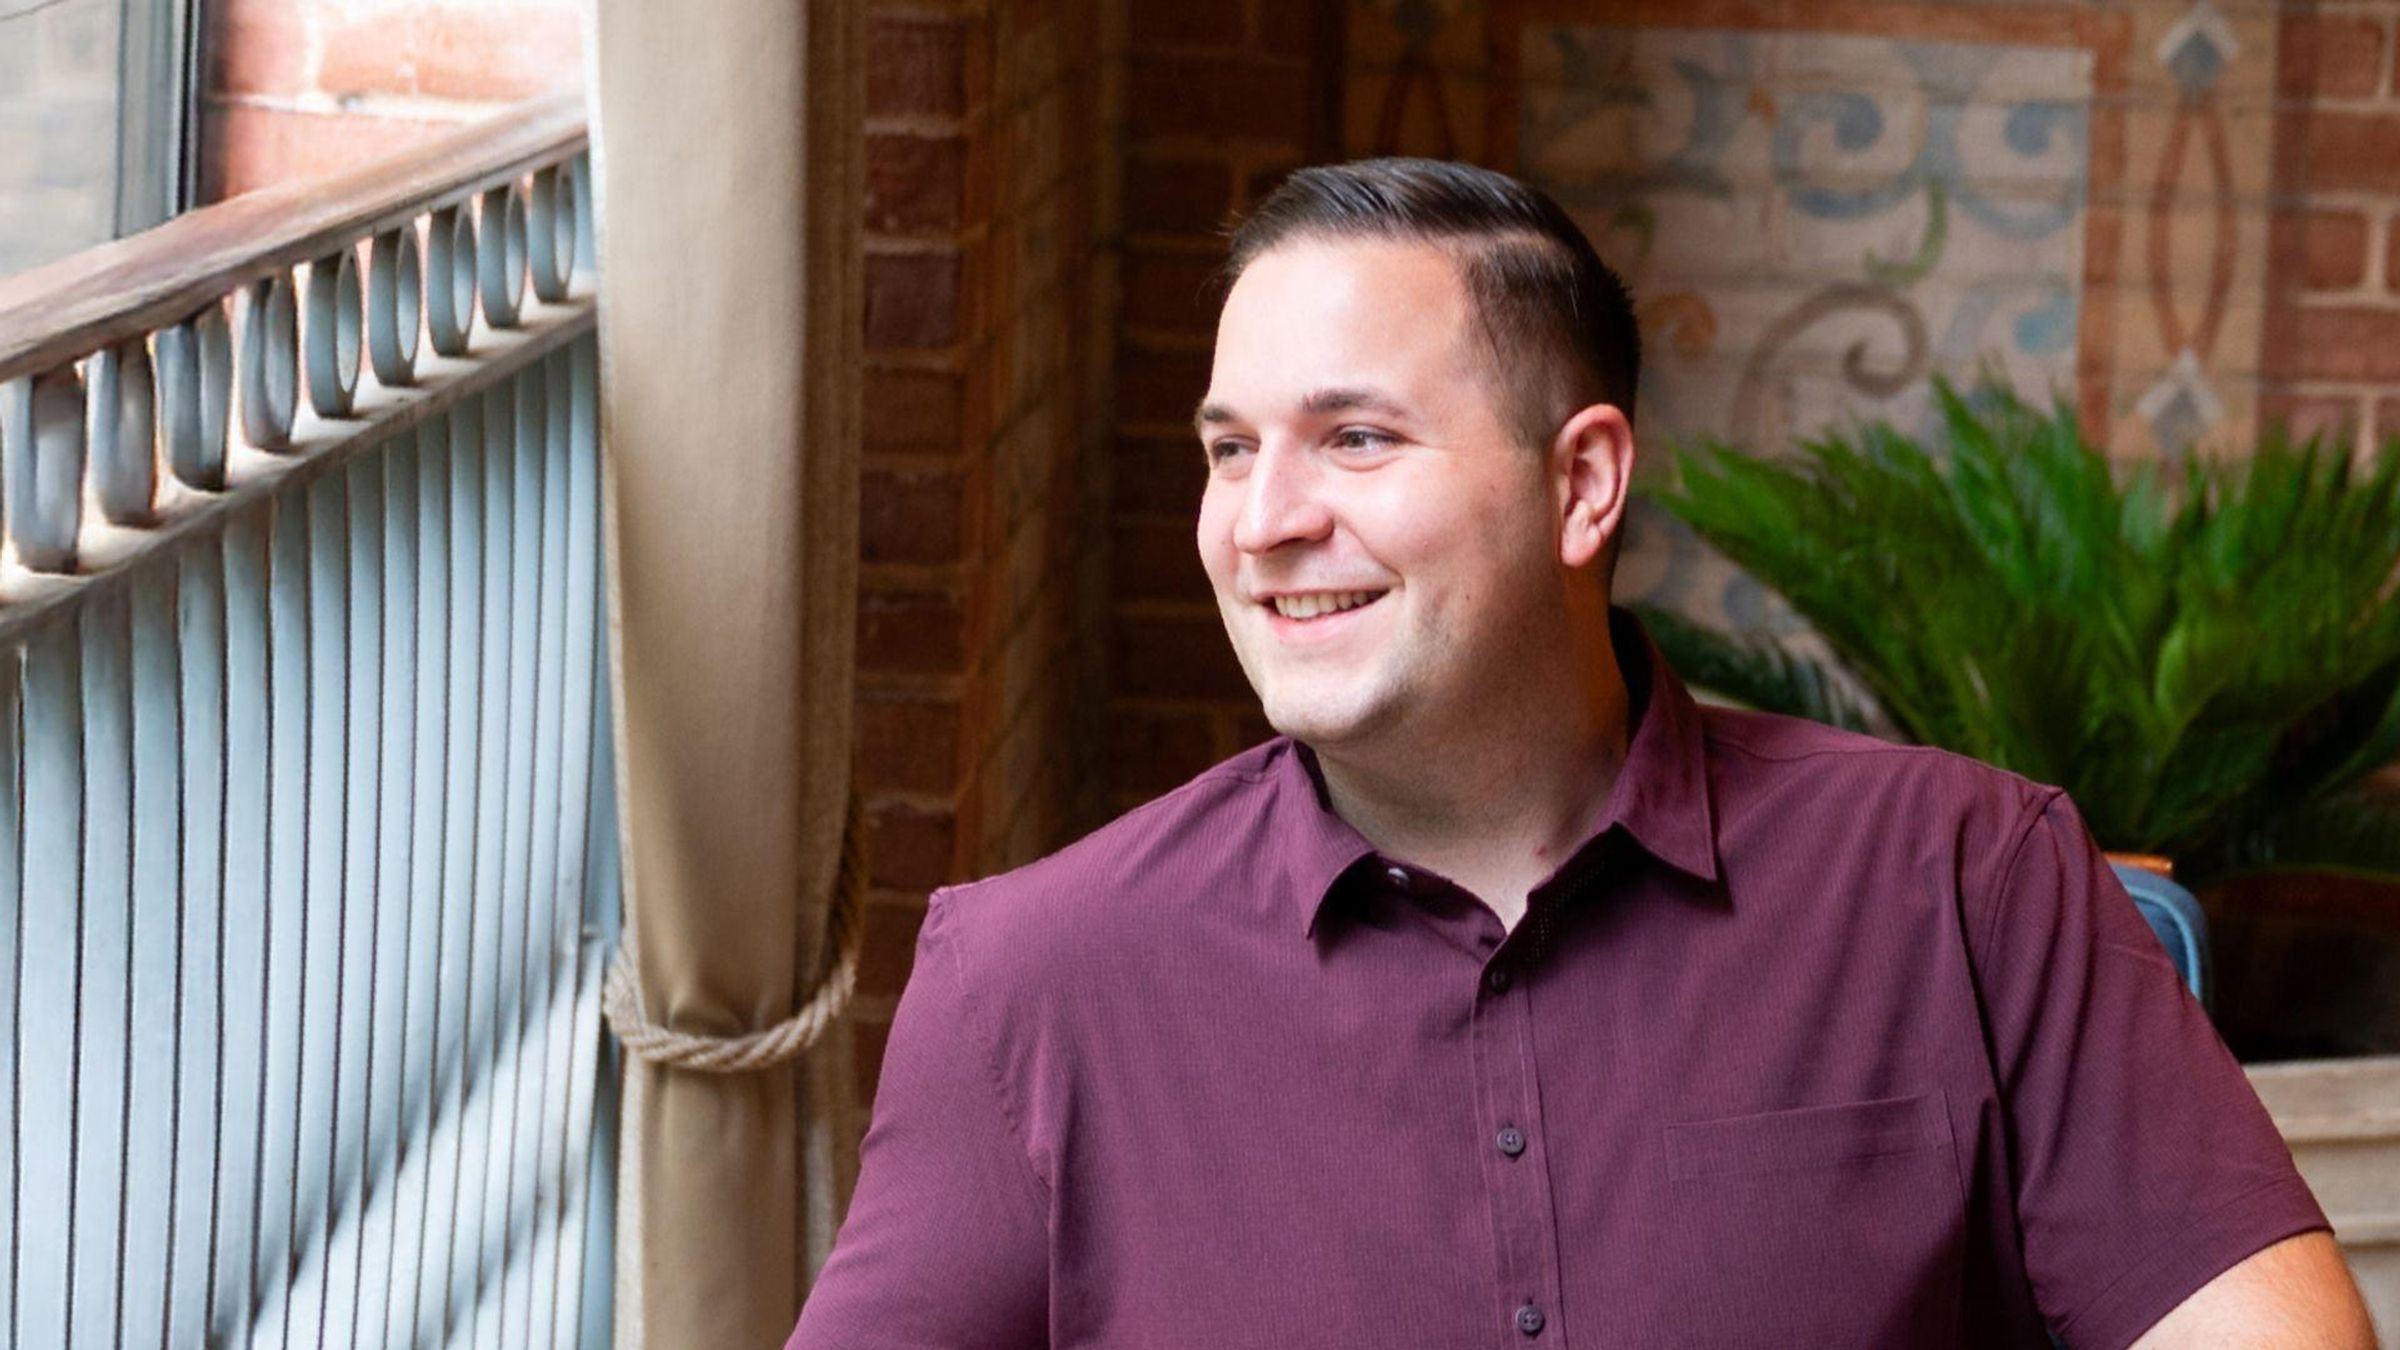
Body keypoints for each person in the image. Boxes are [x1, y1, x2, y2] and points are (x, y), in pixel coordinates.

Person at [787, 158, 2377, 1348]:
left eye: (1355, 437)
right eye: (1228, 449)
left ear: (1584, 484)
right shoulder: (1033, 980)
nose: (1262, 523)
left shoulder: (1966, 880)